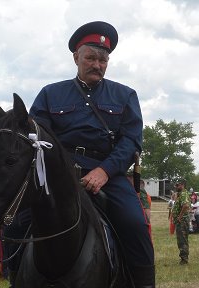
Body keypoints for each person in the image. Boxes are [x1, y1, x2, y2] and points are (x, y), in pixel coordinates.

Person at [30, 21, 155, 288]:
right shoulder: (50, 94)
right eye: (90, 58)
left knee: (135, 224)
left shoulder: (125, 95)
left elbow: (131, 140)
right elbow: (37, 139)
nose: (97, 64)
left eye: (103, 59)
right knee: (19, 219)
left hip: (109, 172)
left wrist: (105, 171)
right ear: (76, 57)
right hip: (59, 174)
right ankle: (16, 274)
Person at [171, 179, 190, 265]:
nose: (176, 187)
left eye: (177, 185)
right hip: (180, 221)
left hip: (182, 221)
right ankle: (183, 258)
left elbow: (185, 205)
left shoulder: (183, 194)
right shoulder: (180, 194)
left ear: (182, 185)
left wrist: (179, 217)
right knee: (181, 239)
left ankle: (184, 259)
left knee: (182, 240)